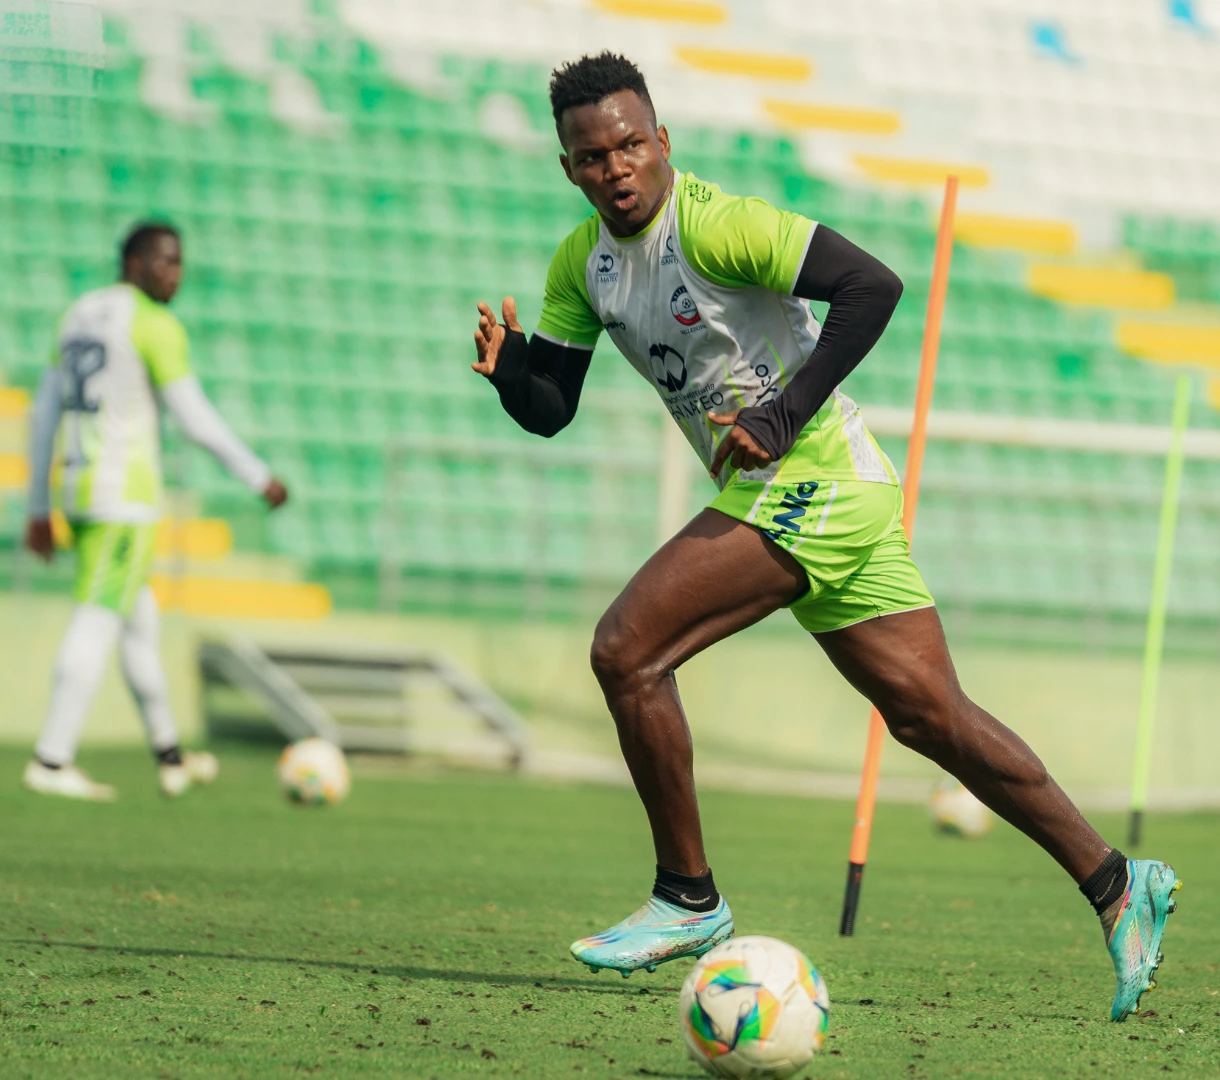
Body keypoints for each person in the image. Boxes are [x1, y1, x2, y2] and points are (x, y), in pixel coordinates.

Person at [470, 53, 1179, 1021]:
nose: (616, 167)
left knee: (626, 652)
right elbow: (552, 409)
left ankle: (688, 896)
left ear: (662, 141)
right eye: (593, 157)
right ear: (569, 168)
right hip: (816, 495)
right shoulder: (580, 265)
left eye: (631, 145)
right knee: (931, 719)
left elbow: (871, 286)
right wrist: (514, 373)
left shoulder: (719, 225)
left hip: (818, 481)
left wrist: (781, 413)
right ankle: (1118, 884)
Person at [22, 223, 287, 801]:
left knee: (138, 623)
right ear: (135, 262)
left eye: (180, 263)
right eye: (166, 262)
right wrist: (257, 474)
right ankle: (51, 759)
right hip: (124, 498)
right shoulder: (152, 323)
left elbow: (43, 412)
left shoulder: (78, 314)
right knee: (96, 618)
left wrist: (38, 504)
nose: (176, 274)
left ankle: (171, 757)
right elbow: (193, 418)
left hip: (80, 487)